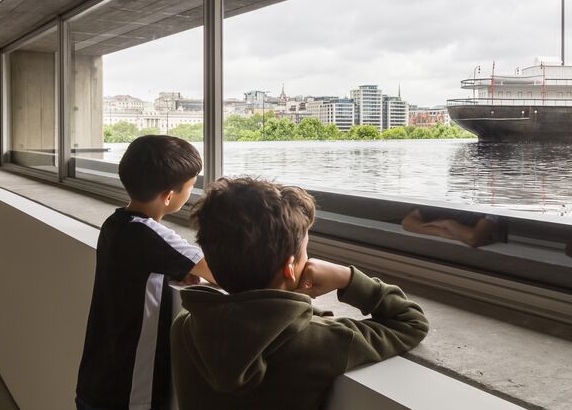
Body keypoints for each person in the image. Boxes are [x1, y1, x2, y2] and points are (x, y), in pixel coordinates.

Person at [172, 177, 429, 409]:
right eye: (306, 249)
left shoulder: (185, 326)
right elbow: (411, 322)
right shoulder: (325, 341)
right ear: (289, 268)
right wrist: (347, 278)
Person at [76, 135, 216, 410]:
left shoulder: (115, 224)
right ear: (168, 196)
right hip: (130, 391)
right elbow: (220, 272)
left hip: (97, 379)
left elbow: (137, 270)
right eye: (191, 186)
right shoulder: (150, 234)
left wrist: (173, 271)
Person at [401, 207, 504, 248]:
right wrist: (440, 231)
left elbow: (473, 238)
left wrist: (448, 224)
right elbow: (407, 222)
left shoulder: (491, 204)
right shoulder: (447, 198)